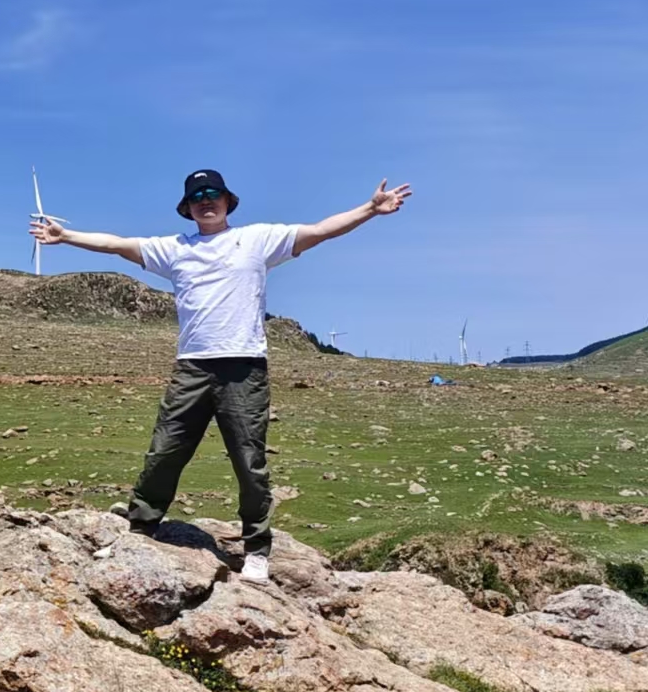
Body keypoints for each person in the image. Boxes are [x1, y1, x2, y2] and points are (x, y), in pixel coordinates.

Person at [29, 168, 412, 582]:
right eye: (197, 196)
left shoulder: (258, 239)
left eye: (213, 193)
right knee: (164, 452)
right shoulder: (174, 248)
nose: (206, 200)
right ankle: (141, 527)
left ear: (228, 200)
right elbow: (118, 245)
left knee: (249, 461)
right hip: (192, 367)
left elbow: (320, 231)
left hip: (243, 368)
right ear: (187, 207)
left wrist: (369, 209)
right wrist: (66, 236)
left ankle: (257, 550)